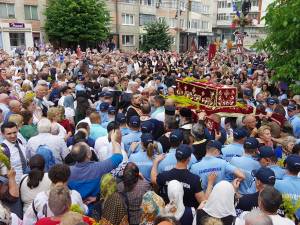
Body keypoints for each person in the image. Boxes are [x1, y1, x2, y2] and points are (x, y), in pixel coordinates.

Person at [68, 132, 123, 214]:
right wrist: (114, 141)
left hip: (77, 211)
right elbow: (118, 157)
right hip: (96, 210)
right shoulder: (99, 168)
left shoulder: (67, 172)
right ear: (89, 155)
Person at [152, 144, 215, 208]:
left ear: (176, 156)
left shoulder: (165, 175)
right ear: (189, 158)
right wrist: (210, 183)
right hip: (188, 215)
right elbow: (204, 203)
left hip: (170, 214)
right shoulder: (194, 180)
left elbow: (153, 179)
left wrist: (155, 162)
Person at [23, 164, 87, 225]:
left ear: (50, 178)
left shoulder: (40, 197)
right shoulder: (75, 195)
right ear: (68, 178)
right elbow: (83, 212)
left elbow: (28, 220)